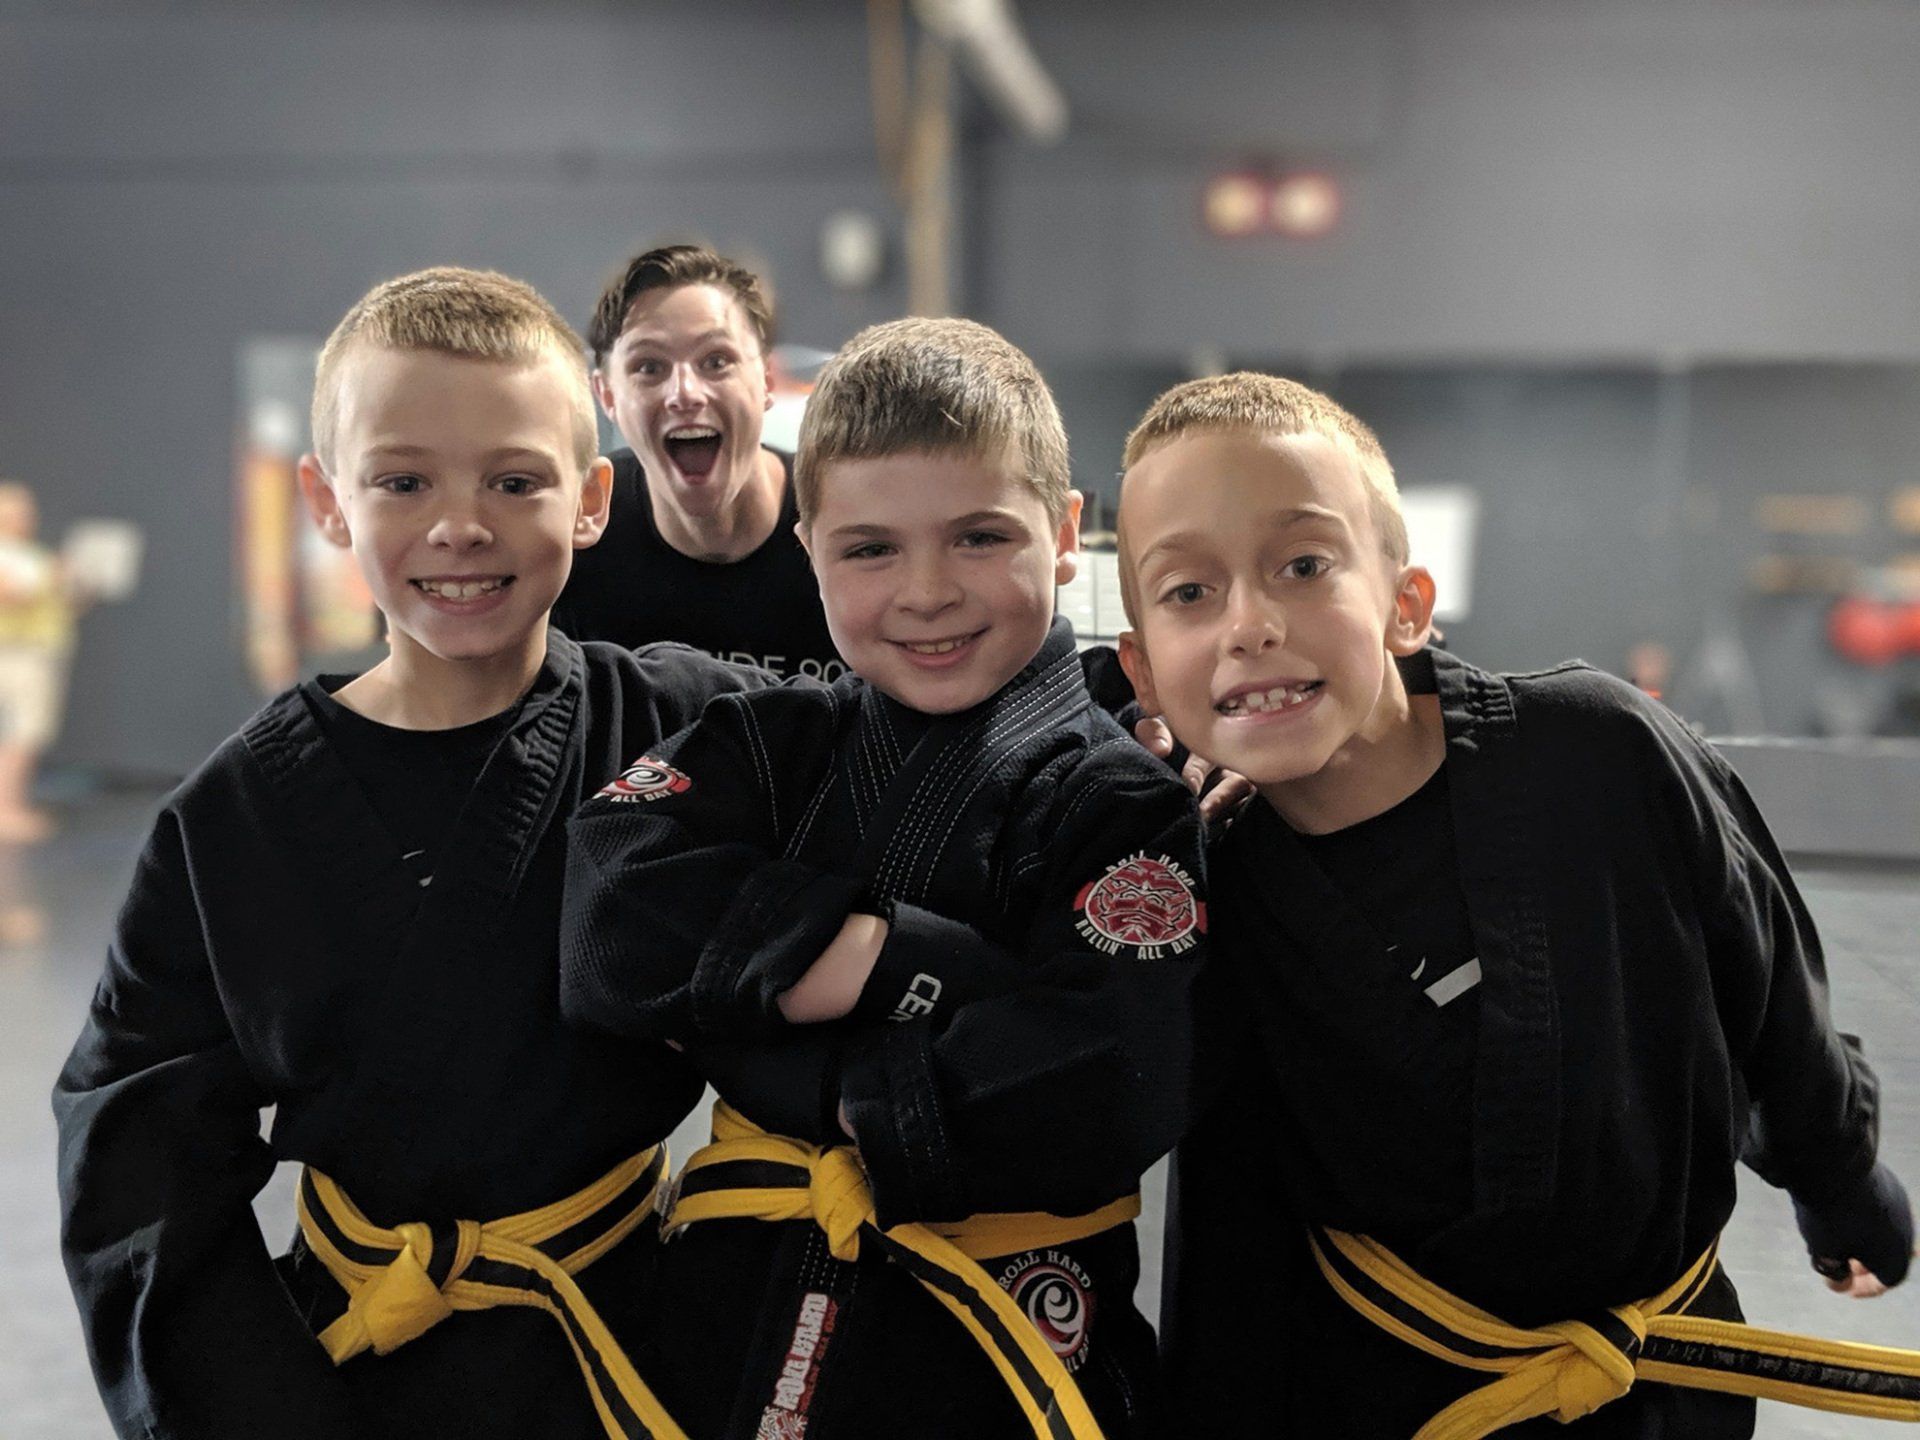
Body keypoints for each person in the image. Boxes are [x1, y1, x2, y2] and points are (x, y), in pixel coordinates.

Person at [1114, 372, 1918, 1438]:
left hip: (1660, 1391)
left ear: (1406, 606)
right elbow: (1234, 1234)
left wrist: (1841, 1173)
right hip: (1393, 1403)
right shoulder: (1212, 886)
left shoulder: (1605, 752)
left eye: (1304, 566)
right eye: (1189, 594)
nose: (1250, 624)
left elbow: (1762, 978)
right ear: (1146, 671)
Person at [53, 267, 777, 1440]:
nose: (460, 524)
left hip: (641, 1340)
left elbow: (902, 765)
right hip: (362, 1360)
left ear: (592, 499)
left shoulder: (686, 726)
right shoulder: (232, 821)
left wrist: (1109, 719)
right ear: (327, 501)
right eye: (401, 480)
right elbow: (138, 1167)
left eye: (514, 479)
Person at [560, 318, 1207, 1439]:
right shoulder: (772, 741)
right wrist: (901, 956)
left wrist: (766, 1055)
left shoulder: (1119, 796)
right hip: (733, 1317)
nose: (926, 593)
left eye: (978, 538)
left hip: (999, 1351)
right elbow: (609, 917)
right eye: (869, 549)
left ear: (1062, 535)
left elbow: (1111, 1078)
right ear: (807, 547)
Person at [555, 243, 843, 680]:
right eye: (649, 367)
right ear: (607, 395)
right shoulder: (575, 539)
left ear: (765, 381)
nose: (685, 393)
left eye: (716, 361)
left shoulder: (844, 519)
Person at [0, 480, 80, 843]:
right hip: (17, 655)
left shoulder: (34, 555)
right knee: (21, 733)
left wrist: (71, 583)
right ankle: (7, 810)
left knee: (27, 733)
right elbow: (13, 594)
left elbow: (65, 604)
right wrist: (53, 575)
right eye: (16, 511)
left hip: (41, 654)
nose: (26, 518)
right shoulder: (11, 556)